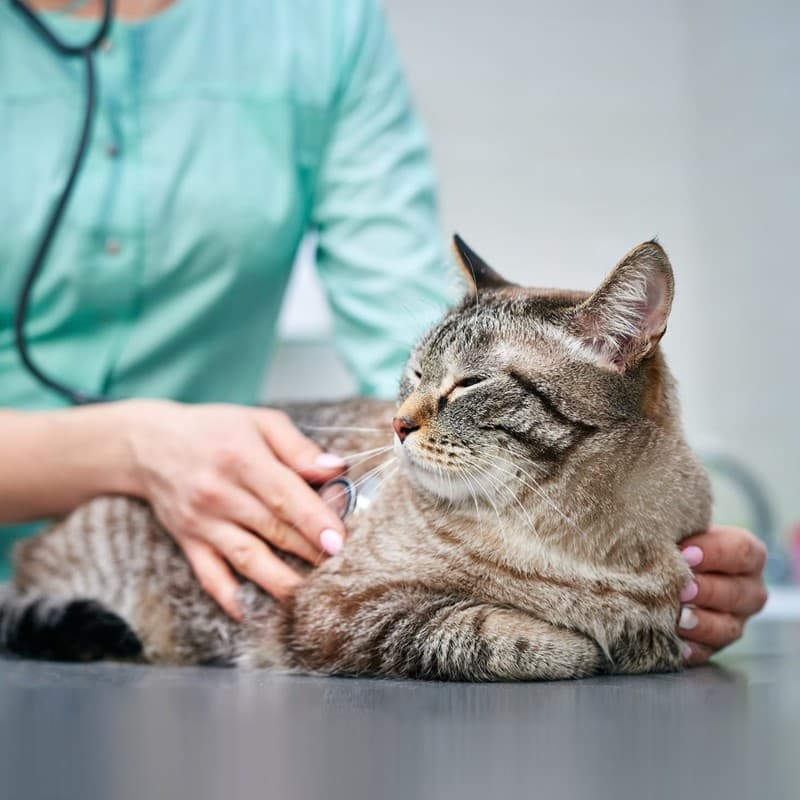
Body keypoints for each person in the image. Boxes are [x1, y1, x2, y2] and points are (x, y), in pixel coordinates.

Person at [0, 0, 767, 663]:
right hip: (141, 550)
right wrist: (136, 446)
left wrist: (629, 522)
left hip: (225, 533)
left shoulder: (315, 22)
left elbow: (418, 344)